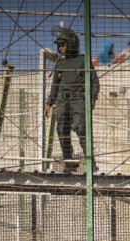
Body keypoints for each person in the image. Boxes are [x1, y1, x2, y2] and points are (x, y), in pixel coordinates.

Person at [44, 29, 100, 173]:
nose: (60, 48)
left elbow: (94, 81)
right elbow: (55, 85)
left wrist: (93, 97)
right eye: (59, 46)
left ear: (72, 44)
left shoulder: (83, 60)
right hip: (62, 99)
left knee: (81, 129)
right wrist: (49, 103)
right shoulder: (60, 63)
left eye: (63, 45)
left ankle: (90, 162)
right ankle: (70, 163)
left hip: (78, 98)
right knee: (62, 130)